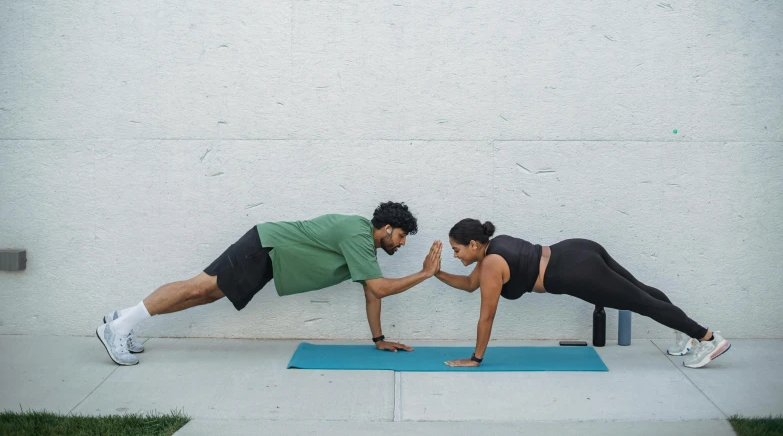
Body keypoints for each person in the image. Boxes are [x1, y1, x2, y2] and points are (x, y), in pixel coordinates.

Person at [97, 201, 443, 365]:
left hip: (268, 257)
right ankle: (119, 326)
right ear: (385, 229)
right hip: (264, 248)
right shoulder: (357, 233)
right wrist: (425, 275)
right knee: (197, 288)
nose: (401, 243)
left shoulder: (364, 245)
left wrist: (378, 339)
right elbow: (380, 288)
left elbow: (372, 292)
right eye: (400, 236)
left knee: (206, 296)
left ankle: (123, 319)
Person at [436, 219, 730, 369]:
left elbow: (486, 317)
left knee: (642, 303)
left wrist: (475, 359)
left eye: (456, 249)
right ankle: (684, 332)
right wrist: (434, 273)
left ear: (474, 244)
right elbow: (469, 284)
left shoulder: (490, 265)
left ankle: (707, 338)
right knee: (643, 292)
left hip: (576, 271)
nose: (455, 254)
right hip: (578, 249)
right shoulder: (494, 247)